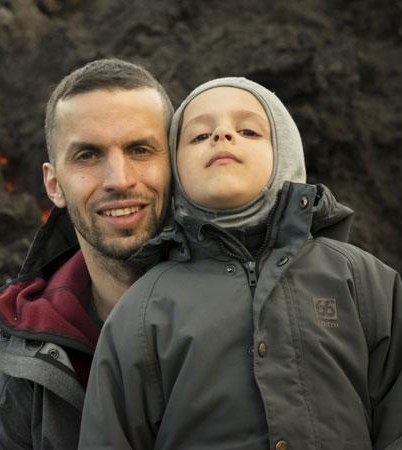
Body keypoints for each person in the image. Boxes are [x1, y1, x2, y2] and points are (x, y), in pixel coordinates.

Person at [79, 77, 402, 449]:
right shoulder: (141, 311)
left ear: (285, 150)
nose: (222, 136)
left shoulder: (362, 279)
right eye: (199, 136)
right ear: (175, 170)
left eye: (248, 130)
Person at [0, 58, 174, 449]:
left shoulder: (250, 321)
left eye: (140, 149)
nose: (119, 180)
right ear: (53, 185)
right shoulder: (21, 375)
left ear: (177, 164)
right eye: (88, 156)